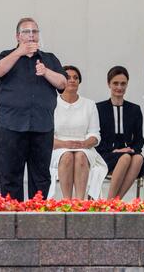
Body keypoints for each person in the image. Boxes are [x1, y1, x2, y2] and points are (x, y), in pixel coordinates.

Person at [0, 17, 67, 201]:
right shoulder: (5, 56)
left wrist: (46, 72)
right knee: (10, 177)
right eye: (27, 32)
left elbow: (63, 83)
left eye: (35, 32)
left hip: (42, 126)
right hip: (10, 126)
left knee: (41, 178)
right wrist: (19, 52)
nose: (32, 35)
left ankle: (37, 220)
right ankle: (12, 220)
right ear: (18, 36)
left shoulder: (49, 59)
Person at [50, 65, 107, 199]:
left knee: (81, 156)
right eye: (68, 77)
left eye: (76, 78)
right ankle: (67, 201)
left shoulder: (89, 104)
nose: (72, 80)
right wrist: (65, 144)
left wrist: (86, 143)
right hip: (58, 148)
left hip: (84, 147)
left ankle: (80, 202)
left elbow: (95, 134)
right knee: (67, 156)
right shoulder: (51, 104)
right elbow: (46, 137)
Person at [96, 65, 144, 199]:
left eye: (123, 83)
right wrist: (115, 151)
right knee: (124, 158)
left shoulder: (135, 109)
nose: (119, 87)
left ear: (127, 85)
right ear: (109, 84)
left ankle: (113, 201)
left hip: (128, 153)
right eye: (115, 83)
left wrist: (131, 149)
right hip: (106, 154)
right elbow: (95, 137)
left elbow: (139, 139)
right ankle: (111, 201)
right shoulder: (98, 108)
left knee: (138, 158)